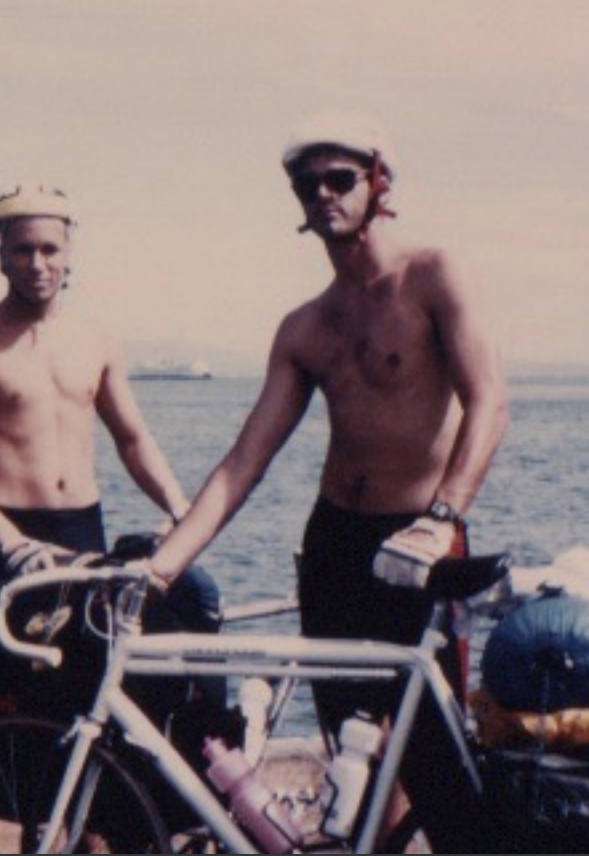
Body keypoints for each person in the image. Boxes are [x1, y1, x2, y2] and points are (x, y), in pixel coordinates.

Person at [145, 112, 510, 849]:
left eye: (340, 179)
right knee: (351, 756)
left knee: (436, 765)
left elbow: (490, 402)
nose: (322, 194)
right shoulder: (305, 327)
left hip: (419, 546)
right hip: (336, 547)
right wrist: (160, 568)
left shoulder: (433, 276)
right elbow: (244, 462)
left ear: (379, 183)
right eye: (305, 184)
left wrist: (444, 516)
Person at [0, 183, 219, 731]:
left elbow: (132, 438)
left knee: (86, 702)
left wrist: (178, 505)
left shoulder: (95, 339)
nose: (37, 263)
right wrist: (10, 543)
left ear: (69, 253)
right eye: (23, 250)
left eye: (49, 249)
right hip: (6, 540)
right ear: (0, 253)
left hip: (83, 536)